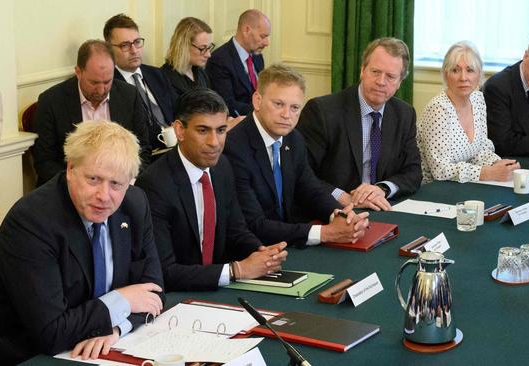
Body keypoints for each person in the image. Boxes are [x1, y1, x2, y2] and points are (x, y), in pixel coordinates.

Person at [0, 121, 165, 365]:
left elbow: (154, 291)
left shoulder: (134, 204)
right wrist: (122, 301)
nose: (104, 196)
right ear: (71, 169)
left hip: (98, 347)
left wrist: (116, 329)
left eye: (116, 184)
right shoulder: (31, 223)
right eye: (93, 179)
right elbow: (51, 332)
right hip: (26, 355)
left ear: (130, 182)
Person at [135, 88, 288, 292]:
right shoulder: (154, 184)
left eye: (221, 130)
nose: (214, 142)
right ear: (179, 131)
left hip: (217, 288)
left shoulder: (222, 167)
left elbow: (236, 230)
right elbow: (165, 271)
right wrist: (237, 270)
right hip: (177, 297)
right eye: (203, 130)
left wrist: (262, 253)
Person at [224, 64, 369, 248]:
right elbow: (254, 224)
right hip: (253, 251)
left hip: (288, 242)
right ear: (257, 101)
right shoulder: (234, 148)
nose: (287, 115)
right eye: (278, 104)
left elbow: (311, 189)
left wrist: (342, 216)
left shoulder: (293, 138)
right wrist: (325, 233)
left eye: (295, 108)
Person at [297, 37, 422, 211]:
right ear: (362, 70)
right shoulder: (322, 111)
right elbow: (301, 172)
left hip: (381, 206)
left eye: (391, 76)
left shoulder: (405, 115)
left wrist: (382, 189)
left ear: (400, 82)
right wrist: (345, 198)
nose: (381, 81)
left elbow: (413, 172)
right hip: (332, 209)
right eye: (375, 72)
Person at [32, 39, 152, 186]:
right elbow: (44, 162)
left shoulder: (129, 95)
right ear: (78, 72)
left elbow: (143, 149)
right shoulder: (51, 101)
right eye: (94, 83)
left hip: (120, 185)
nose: (101, 90)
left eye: (107, 81)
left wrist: (127, 182)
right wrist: (79, 184)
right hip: (69, 188)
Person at [417, 41, 520, 183]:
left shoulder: (477, 99)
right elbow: (440, 170)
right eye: (455, 70)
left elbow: (481, 149)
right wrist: (487, 173)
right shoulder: (438, 109)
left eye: (470, 70)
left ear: (479, 75)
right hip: (433, 190)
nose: (463, 78)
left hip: (464, 184)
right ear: (446, 75)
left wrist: (498, 164)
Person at [103, 13, 177, 151]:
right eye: (125, 45)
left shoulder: (157, 74)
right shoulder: (109, 86)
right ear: (109, 49)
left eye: (137, 42)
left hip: (176, 147)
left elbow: (178, 108)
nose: (134, 50)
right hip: (143, 155)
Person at [206, 9, 270, 117]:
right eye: (262, 36)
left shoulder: (257, 56)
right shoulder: (219, 60)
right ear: (246, 30)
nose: (266, 43)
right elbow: (226, 104)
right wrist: (264, 110)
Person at [161, 17, 213, 96]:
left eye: (209, 47)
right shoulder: (165, 78)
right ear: (183, 47)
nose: (209, 55)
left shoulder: (201, 73)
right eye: (202, 48)